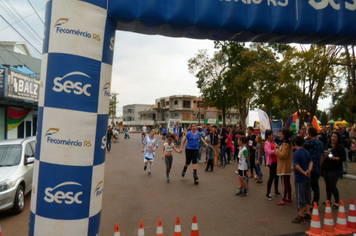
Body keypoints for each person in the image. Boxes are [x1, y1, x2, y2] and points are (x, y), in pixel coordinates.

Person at [292, 136, 313, 224]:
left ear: (295, 143)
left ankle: (301, 215)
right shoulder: (306, 152)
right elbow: (311, 161)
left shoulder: (296, 153)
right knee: (307, 195)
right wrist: (309, 170)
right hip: (307, 177)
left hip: (300, 178)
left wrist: (304, 172)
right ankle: (308, 213)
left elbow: (297, 166)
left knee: (301, 196)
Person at [323, 131, 346, 209]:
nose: (333, 138)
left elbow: (343, 158)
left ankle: (336, 201)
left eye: (335, 137)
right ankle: (328, 200)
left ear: (338, 138)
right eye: (332, 136)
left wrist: (335, 158)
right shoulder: (327, 145)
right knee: (327, 185)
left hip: (335, 169)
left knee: (332, 185)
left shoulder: (340, 148)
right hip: (326, 168)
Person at [304, 126, 324, 206]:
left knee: (308, 186)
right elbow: (322, 155)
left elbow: (300, 143)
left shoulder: (310, 142)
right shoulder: (320, 142)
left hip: (309, 166)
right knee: (316, 186)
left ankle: (307, 204)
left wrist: (306, 137)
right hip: (317, 166)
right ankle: (315, 202)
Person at [275, 128, 293, 206]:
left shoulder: (286, 144)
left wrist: (277, 151)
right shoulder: (287, 143)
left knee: (284, 183)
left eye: (282, 134)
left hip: (284, 166)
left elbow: (284, 155)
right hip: (286, 166)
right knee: (287, 182)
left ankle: (283, 199)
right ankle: (288, 197)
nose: (280, 135)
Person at [265, 130, 281, 200]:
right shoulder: (266, 143)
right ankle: (267, 193)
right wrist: (276, 151)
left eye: (273, 135)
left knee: (277, 177)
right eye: (271, 135)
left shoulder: (274, 142)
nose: (273, 136)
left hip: (276, 161)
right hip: (271, 163)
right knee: (271, 177)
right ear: (268, 136)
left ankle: (276, 190)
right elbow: (269, 152)